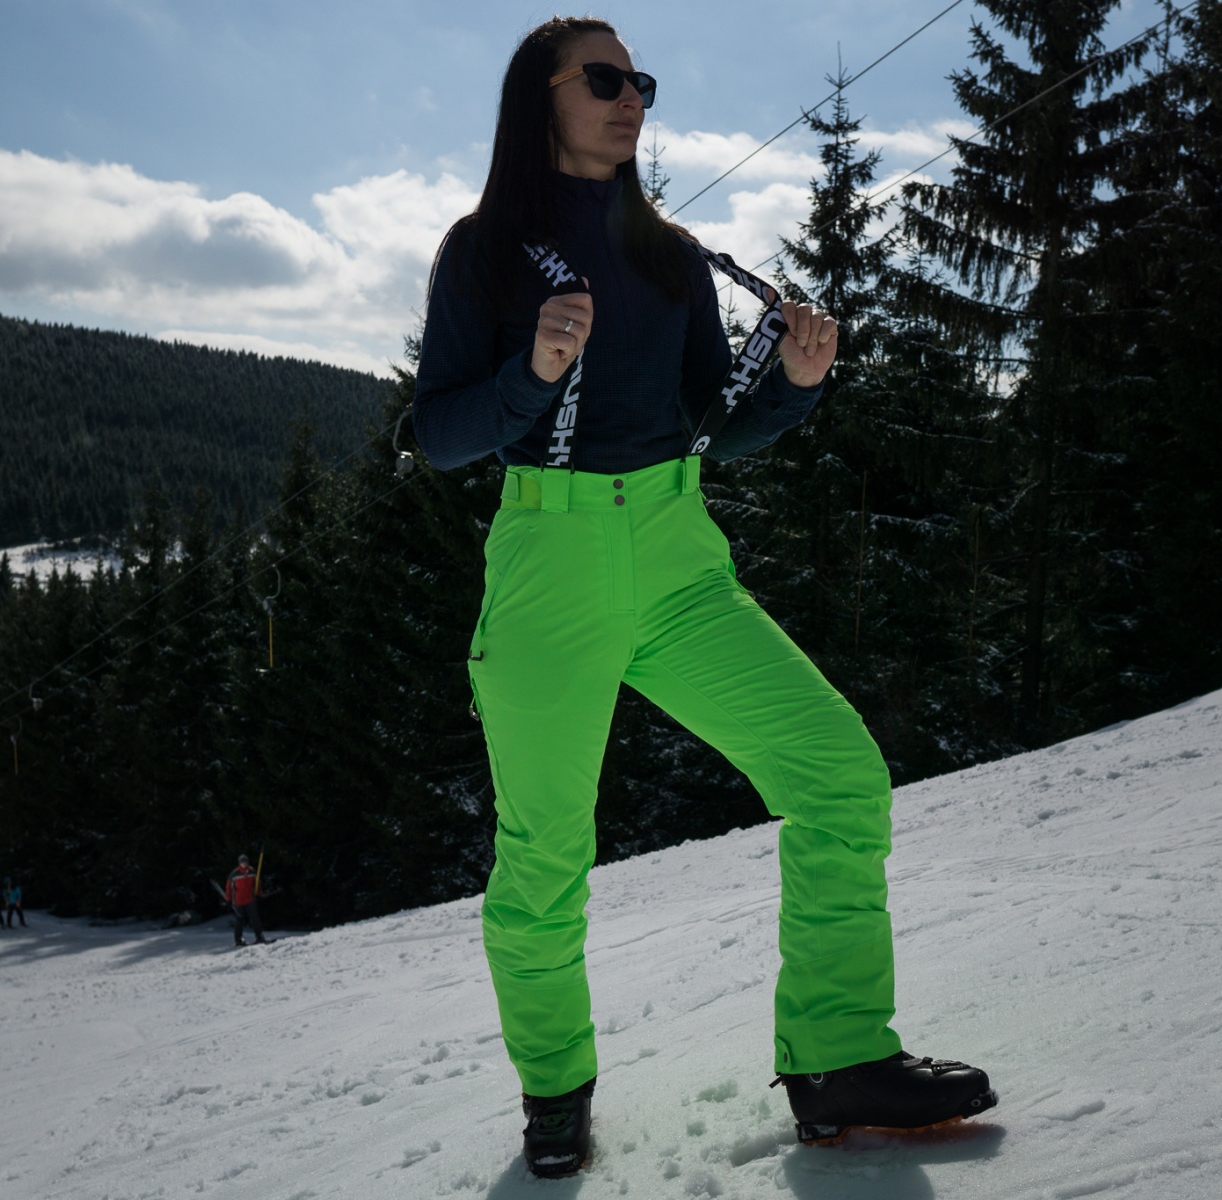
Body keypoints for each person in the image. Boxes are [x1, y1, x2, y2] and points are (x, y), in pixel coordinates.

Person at [413, 17, 994, 1178]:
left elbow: (711, 427)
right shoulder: (482, 251)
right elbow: (438, 435)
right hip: (550, 563)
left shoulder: (669, 253)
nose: (632, 97)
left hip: (679, 559)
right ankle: (556, 1092)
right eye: (605, 78)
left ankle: (838, 1060)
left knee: (838, 773)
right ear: (541, 99)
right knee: (544, 855)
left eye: (641, 81)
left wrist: (795, 386)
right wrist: (531, 374)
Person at [224, 855, 267, 947]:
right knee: (239, 920)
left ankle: (259, 937)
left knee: (255, 919)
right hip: (238, 901)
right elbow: (229, 888)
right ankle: (238, 939)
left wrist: (259, 894)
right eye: (242, 862)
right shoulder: (234, 873)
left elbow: (257, 884)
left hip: (250, 900)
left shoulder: (252, 871)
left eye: (245, 862)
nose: (244, 864)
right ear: (239, 863)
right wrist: (228, 899)